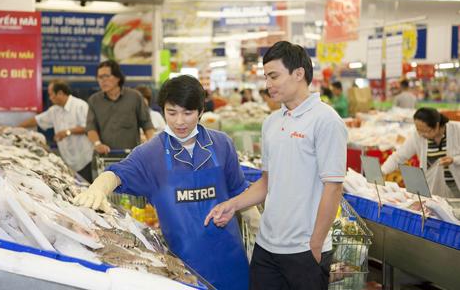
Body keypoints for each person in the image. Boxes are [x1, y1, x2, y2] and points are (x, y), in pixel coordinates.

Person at [74, 75, 255, 290]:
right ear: (162, 111)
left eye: (188, 113)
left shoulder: (221, 144)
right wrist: (98, 188)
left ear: (200, 111)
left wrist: (260, 231)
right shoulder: (151, 153)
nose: (179, 121)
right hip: (184, 269)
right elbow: (117, 173)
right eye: (172, 112)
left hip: (231, 262)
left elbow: (240, 192)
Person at [205, 41, 347, 290]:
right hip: (266, 247)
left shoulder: (326, 120)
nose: (268, 85)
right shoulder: (271, 123)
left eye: (274, 76)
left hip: (305, 250)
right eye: (266, 77)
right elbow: (266, 182)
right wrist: (232, 205)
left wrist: (315, 244)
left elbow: (333, 188)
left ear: (299, 73)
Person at [19, 79, 94, 182]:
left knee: (87, 189)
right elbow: (37, 120)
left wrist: (67, 132)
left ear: (60, 93)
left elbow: (88, 127)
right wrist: (16, 128)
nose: (50, 98)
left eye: (51, 94)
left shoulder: (80, 106)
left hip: (84, 160)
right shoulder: (55, 110)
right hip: (67, 162)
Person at [382, 107, 460, 197]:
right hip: (434, 189)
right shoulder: (418, 136)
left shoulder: (457, 130)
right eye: (418, 130)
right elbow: (399, 156)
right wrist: (383, 171)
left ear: (437, 125)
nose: (421, 134)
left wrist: (454, 160)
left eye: (426, 131)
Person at [86, 60, 154, 154]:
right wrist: (98, 144)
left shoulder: (135, 97)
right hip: (105, 156)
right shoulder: (94, 100)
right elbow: (90, 128)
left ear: (117, 77)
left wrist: (151, 145)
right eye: (100, 77)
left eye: (106, 76)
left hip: (132, 156)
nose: (103, 80)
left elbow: (147, 124)